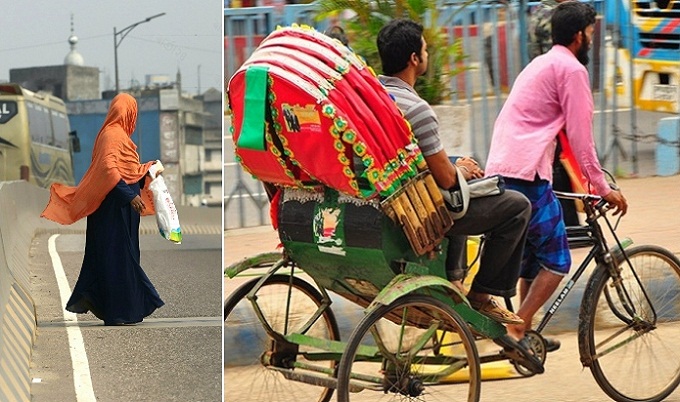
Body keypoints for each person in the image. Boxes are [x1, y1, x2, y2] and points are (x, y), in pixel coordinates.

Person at [485, 2, 628, 348]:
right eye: (592, 33)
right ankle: (518, 327)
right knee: (559, 260)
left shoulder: (541, 63)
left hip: (505, 170)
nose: (592, 40)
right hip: (527, 175)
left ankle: (525, 330)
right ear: (579, 36)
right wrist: (602, 187)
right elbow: (581, 138)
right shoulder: (572, 71)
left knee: (534, 257)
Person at [376, 18, 531, 327]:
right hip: (415, 210)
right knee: (516, 206)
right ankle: (483, 295)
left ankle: (455, 279)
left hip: (389, 193)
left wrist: (456, 165)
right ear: (414, 59)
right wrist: (458, 169)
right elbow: (447, 180)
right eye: (425, 49)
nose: (427, 54)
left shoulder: (375, 97)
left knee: (458, 174)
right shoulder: (418, 110)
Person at [41, 93, 165, 326]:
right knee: (117, 258)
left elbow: (128, 171)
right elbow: (108, 169)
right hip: (112, 209)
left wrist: (147, 169)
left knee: (123, 257)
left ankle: (127, 310)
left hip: (124, 209)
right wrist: (129, 196)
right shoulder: (111, 135)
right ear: (128, 113)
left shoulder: (121, 138)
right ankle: (120, 312)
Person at [528, 0, 580, 227]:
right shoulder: (551, 17)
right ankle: (566, 224)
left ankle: (568, 224)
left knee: (558, 162)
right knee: (558, 162)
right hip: (553, 100)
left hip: (549, 97)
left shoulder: (542, 12)